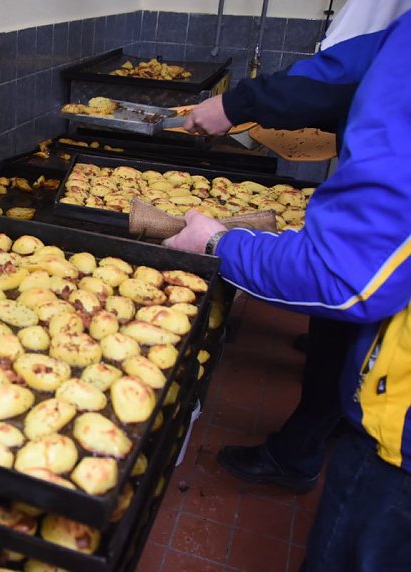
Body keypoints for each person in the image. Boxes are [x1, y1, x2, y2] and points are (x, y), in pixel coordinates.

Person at [163, 11, 411, 571]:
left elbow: (343, 275)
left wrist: (219, 243)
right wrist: (237, 104)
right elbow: (341, 72)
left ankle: (298, 454)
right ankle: (300, 451)